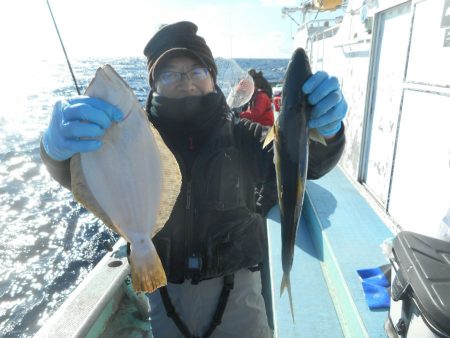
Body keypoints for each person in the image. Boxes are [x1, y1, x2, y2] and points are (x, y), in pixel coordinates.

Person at [40, 21, 347, 338]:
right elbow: (88, 176)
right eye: (170, 74)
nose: (185, 82)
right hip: (162, 291)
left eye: (196, 71)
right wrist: (55, 152)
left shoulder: (242, 136)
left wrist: (326, 131)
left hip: (238, 296)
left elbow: (302, 163)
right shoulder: (132, 143)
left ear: (213, 78)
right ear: (154, 85)